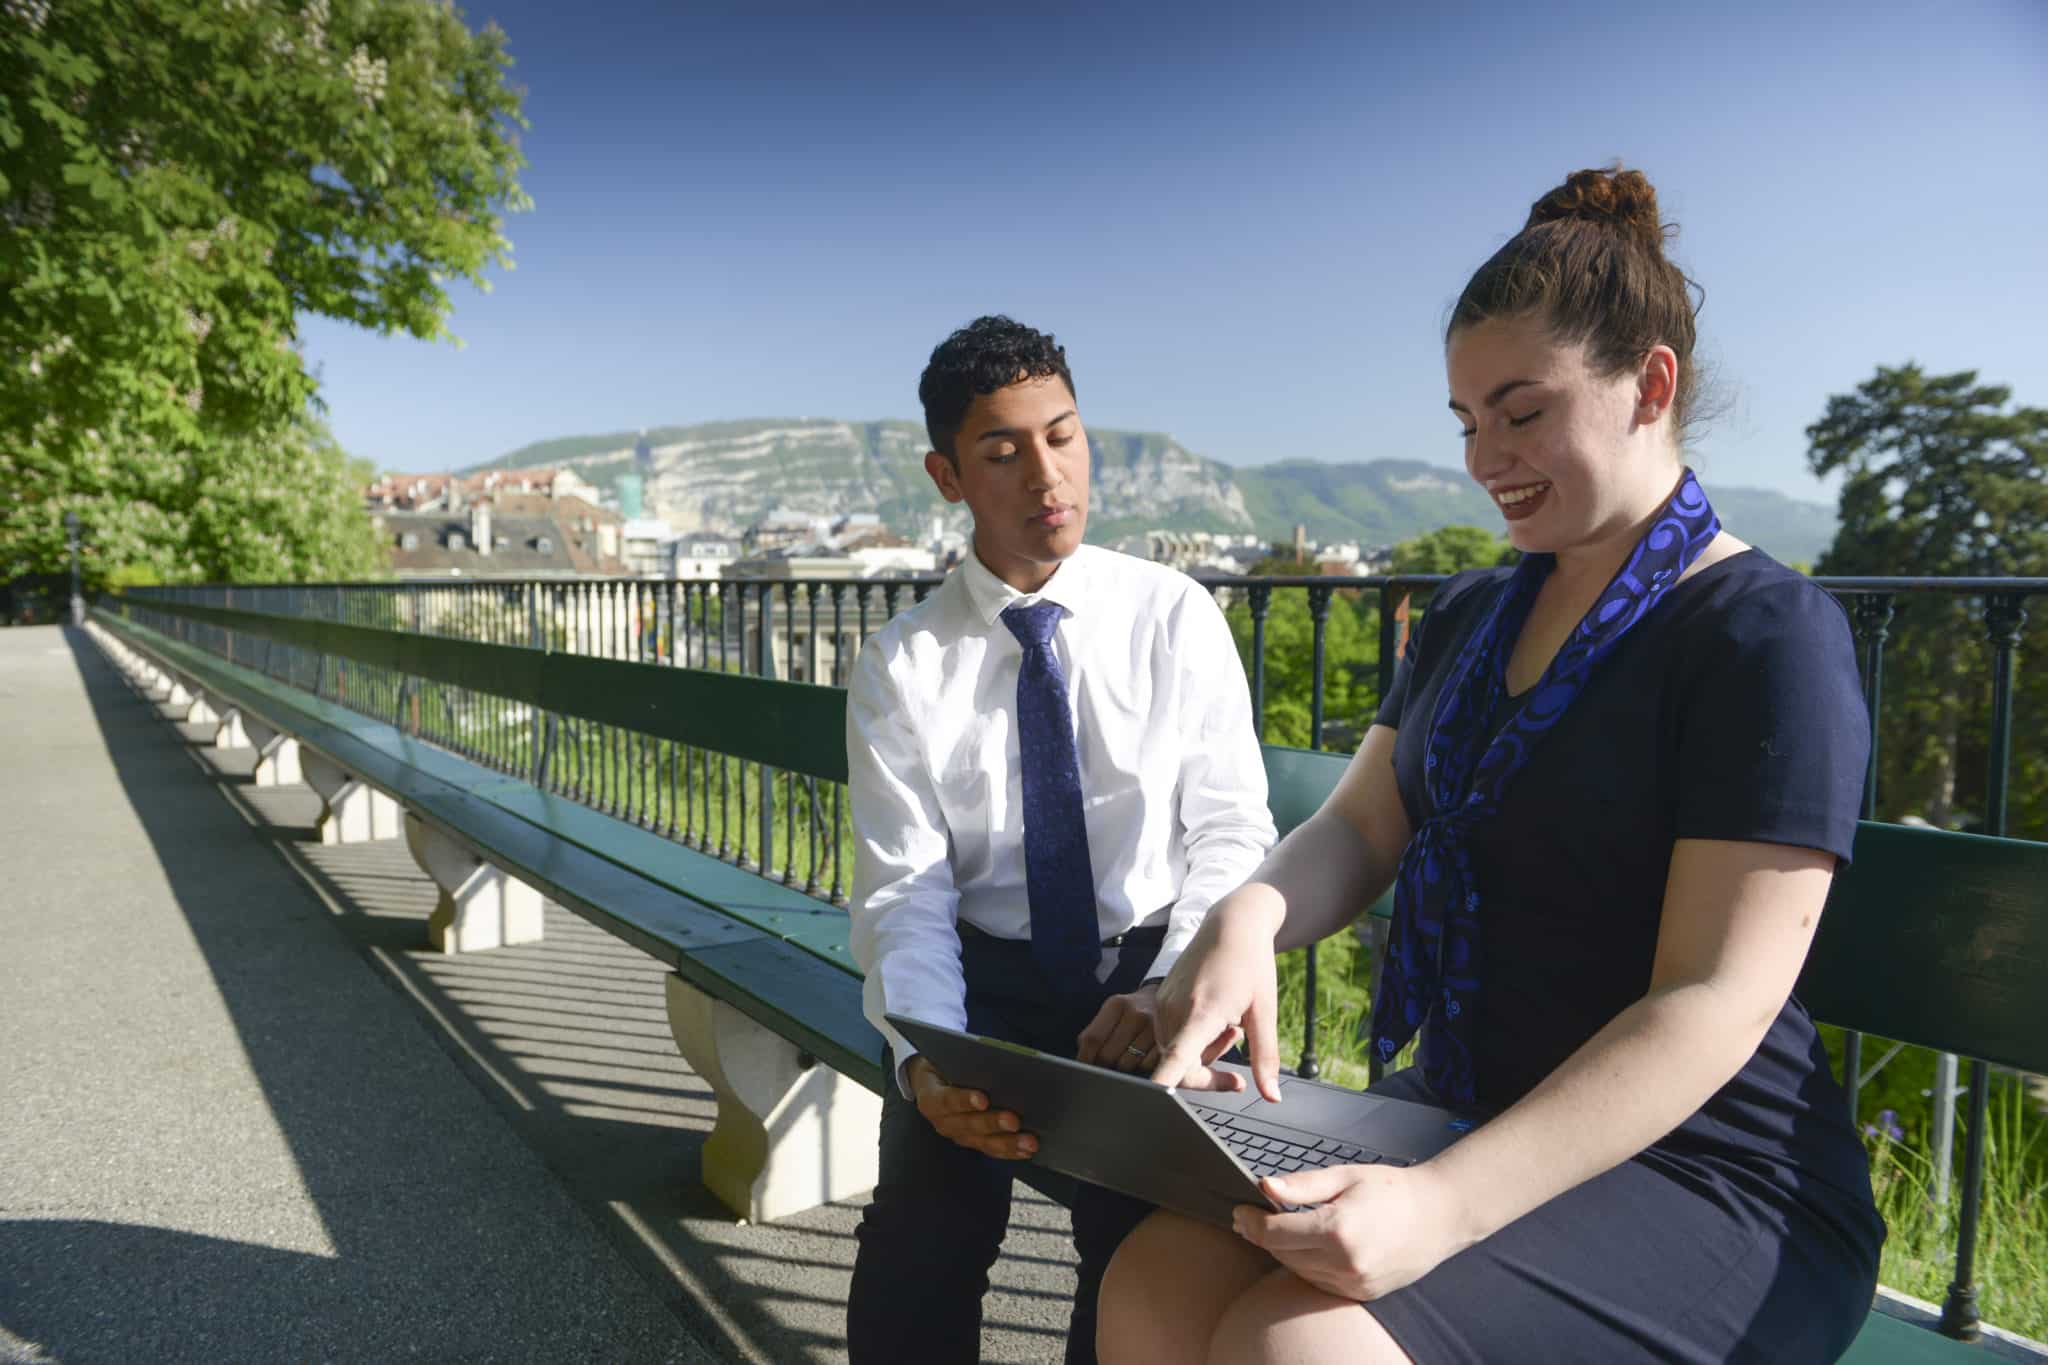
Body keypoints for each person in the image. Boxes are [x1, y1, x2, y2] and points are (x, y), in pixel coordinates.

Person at [1098, 166, 1886, 1365]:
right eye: (1466, 423)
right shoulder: (1470, 616)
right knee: (1151, 1280)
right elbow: (1364, 829)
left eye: (1520, 414)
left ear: (1648, 385)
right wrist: (1249, 915)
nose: (1484, 458)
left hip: (1708, 1171)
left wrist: (1441, 1207)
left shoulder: (1759, 636)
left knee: (1296, 1345)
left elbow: (1711, 1001)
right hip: (1467, 1106)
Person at [844, 315, 1278, 1364]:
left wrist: (1176, 989)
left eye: (1064, 435)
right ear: (946, 476)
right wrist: (924, 1066)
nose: (1048, 474)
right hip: (981, 990)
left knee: (1141, 1250)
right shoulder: (902, 664)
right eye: (1002, 451)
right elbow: (905, 891)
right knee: (919, 1224)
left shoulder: (1172, 616)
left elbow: (1230, 830)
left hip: (1146, 975)